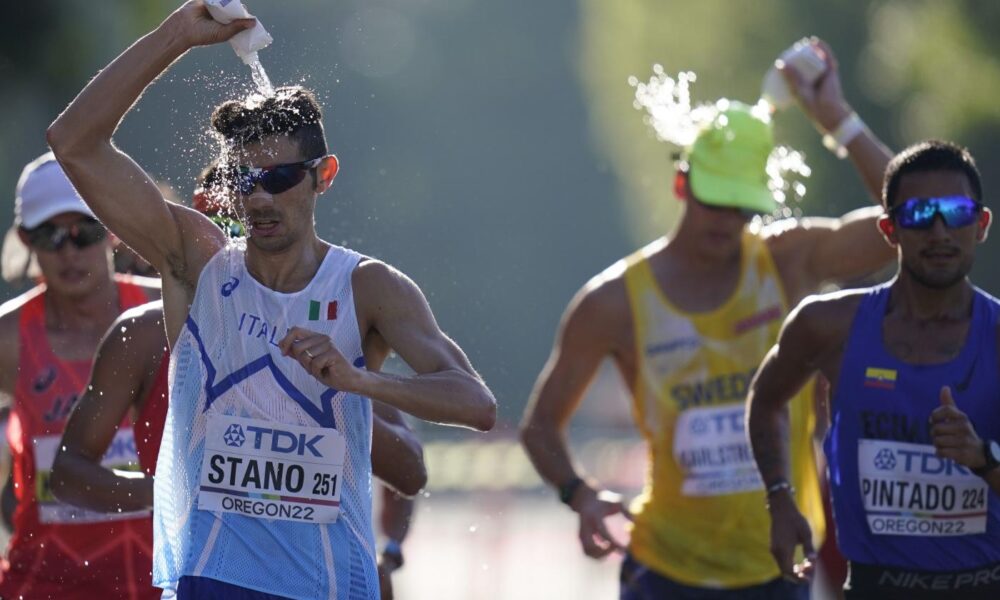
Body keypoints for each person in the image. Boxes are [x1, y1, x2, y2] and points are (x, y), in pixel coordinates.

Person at [46, 2, 496, 598]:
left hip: (330, 584)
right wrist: (177, 34)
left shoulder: (368, 287)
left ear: (323, 175)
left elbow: (477, 405)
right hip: (214, 577)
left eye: (280, 179)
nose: (259, 200)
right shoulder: (197, 264)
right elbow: (72, 141)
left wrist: (360, 382)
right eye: (243, 180)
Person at [520, 40, 896, 599]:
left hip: (777, 566)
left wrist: (837, 119)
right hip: (664, 572)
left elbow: (910, 221)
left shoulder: (786, 261)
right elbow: (541, 426)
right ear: (682, 183)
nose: (728, 220)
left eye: (742, 206)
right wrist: (580, 494)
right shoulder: (613, 302)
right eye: (715, 201)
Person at [748, 140, 1000, 599]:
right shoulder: (827, 325)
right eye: (919, 214)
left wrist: (983, 458)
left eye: (956, 213)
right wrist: (780, 498)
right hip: (873, 587)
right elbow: (765, 400)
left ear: (980, 224)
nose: (940, 231)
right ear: (889, 230)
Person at [0, 153, 159, 599]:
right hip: (45, 582)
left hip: (161, 581)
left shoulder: (167, 313)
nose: (68, 253)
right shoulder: (9, 336)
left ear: (112, 229)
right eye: (49, 236)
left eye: (83, 232)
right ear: (26, 240)